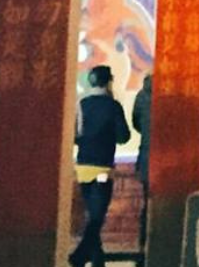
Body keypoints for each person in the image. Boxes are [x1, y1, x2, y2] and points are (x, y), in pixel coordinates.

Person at [71, 64, 131, 267]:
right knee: (96, 218)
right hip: (103, 169)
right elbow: (124, 136)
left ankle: (98, 260)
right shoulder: (113, 106)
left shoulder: (82, 104)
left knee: (93, 216)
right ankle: (79, 256)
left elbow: (74, 135)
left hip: (82, 168)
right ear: (109, 82)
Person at [132, 74, 153, 264]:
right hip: (168, 156)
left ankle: (143, 242)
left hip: (146, 155)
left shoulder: (141, 95)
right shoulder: (169, 95)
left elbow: (136, 123)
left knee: (148, 202)